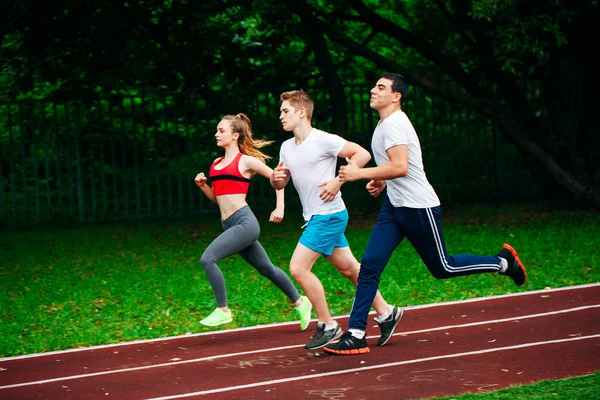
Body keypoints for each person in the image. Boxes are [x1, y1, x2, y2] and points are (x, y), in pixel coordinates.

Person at [323, 72, 527, 356]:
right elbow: (397, 167)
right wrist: (381, 181)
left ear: (396, 96)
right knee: (369, 266)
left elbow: (402, 167)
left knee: (443, 267)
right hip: (394, 208)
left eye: (380, 87)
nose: (373, 90)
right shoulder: (383, 125)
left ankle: (503, 263)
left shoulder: (394, 123)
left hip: (419, 208)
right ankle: (356, 333)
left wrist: (361, 173)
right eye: (374, 86)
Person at [270, 90, 403, 351]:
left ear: (301, 112)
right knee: (351, 269)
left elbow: (361, 154)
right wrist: (278, 180)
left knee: (298, 267)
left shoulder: (323, 140)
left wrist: (338, 180)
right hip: (315, 216)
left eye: (285, 111)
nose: (280, 116)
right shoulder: (286, 146)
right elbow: (283, 179)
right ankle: (387, 313)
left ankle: (328, 325)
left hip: (328, 215)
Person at [194, 113, 312, 329]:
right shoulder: (216, 164)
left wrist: (280, 206)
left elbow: (278, 179)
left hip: (244, 223)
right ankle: (300, 301)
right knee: (267, 269)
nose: (216, 134)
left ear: (235, 134)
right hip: (228, 223)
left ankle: (222, 309)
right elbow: (219, 200)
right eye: (217, 130)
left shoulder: (246, 161)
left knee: (208, 259)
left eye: (222, 130)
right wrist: (203, 186)